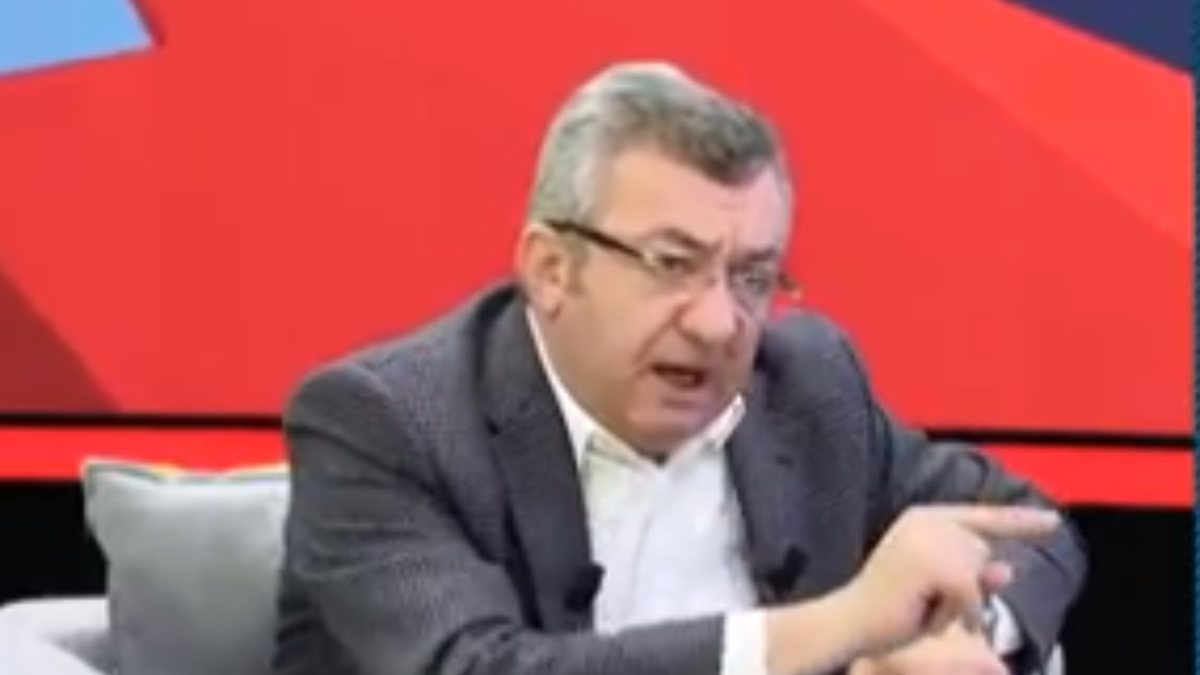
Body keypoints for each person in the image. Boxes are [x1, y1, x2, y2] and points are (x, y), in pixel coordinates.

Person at [273, 62, 1086, 675]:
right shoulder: (386, 423)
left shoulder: (806, 385)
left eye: (753, 276)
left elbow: (1030, 527)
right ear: (552, 269)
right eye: (671, 264)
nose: (719, 322)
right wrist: (840, 629)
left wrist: (955, 636)